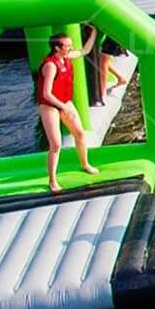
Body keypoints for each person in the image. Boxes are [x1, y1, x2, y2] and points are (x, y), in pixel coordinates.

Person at [37, 29, 100, 193]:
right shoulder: (51, 65)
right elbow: (46, 94)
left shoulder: (67, 57)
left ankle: (85, 163)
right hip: (50, 105)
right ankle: (52, 180)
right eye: (67, 46)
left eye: (71, 45)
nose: (71, 48)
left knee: (79, 133)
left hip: (65, 102)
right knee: (56, 144)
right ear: (57, 48)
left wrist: (94, 32)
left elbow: (85, 51)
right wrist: (63, 107)